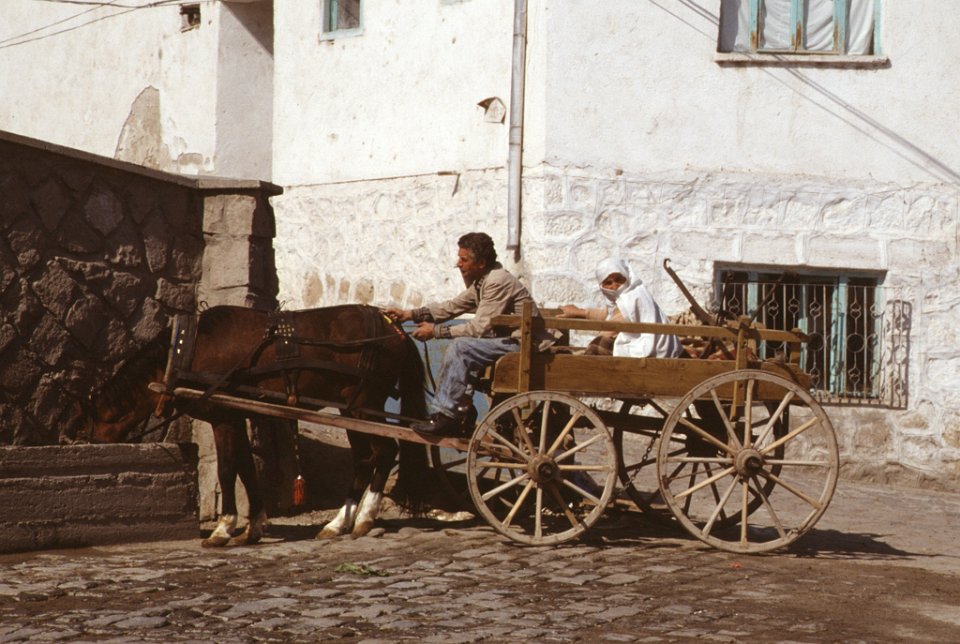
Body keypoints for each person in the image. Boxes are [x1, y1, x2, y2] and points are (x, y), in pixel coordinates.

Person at [385, 232, 555, 437]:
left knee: (462, 347)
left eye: (463, 259)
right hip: (511, 341)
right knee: (467, 346)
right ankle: (461, 410)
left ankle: (447, 415)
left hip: (524, 344)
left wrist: (435, 331)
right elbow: (452, 307)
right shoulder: (484, 281)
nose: (458, 264)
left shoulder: (497, 281)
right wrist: (409, 314)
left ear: (481, 263)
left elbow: (478, 328)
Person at [560, 257, 683, 359]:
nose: (615, 285)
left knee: (598, 346)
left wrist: (589, 348)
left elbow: (613, 324)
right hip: (650, 345)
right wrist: (580, 312)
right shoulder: (623, 298)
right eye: (608, 283)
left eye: (619, 279)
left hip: (655, 351)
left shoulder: (632, 297)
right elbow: (609, 314)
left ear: (627, 277)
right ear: (602, 286)